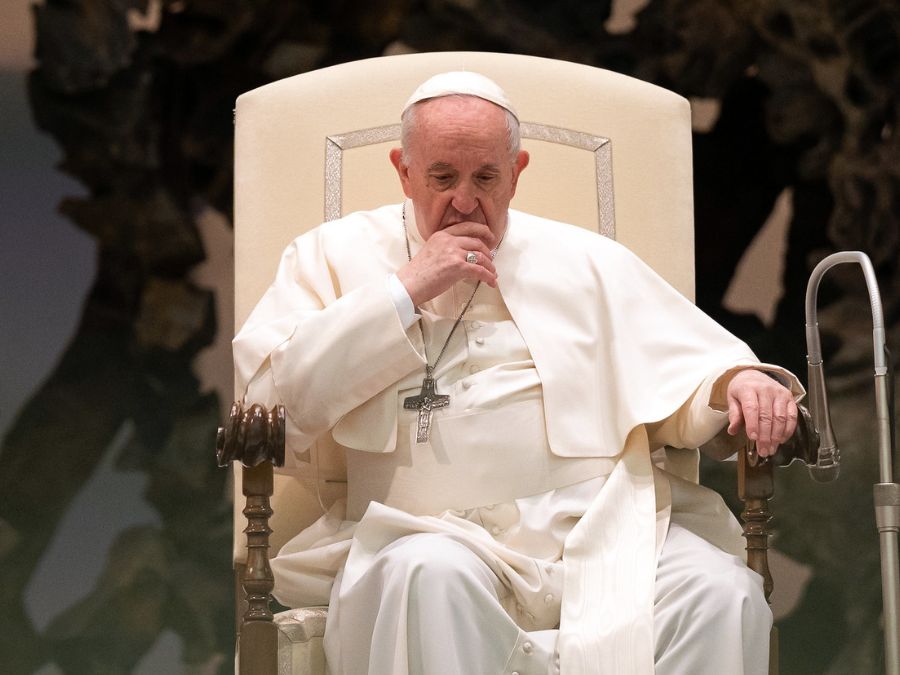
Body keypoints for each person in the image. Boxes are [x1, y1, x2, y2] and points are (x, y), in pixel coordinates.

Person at [232, 72, 802, 675]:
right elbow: (271, 400)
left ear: (516, 170)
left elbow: (689, 376)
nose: (464, 200)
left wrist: (737, 385)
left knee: (723, 594)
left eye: (485, 178)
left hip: (601, 529)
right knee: (426, 576)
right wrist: (405, 291)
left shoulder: (588, 262)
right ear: (403, 170)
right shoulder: (329, 256)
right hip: (424, 534)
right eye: (442, 177)